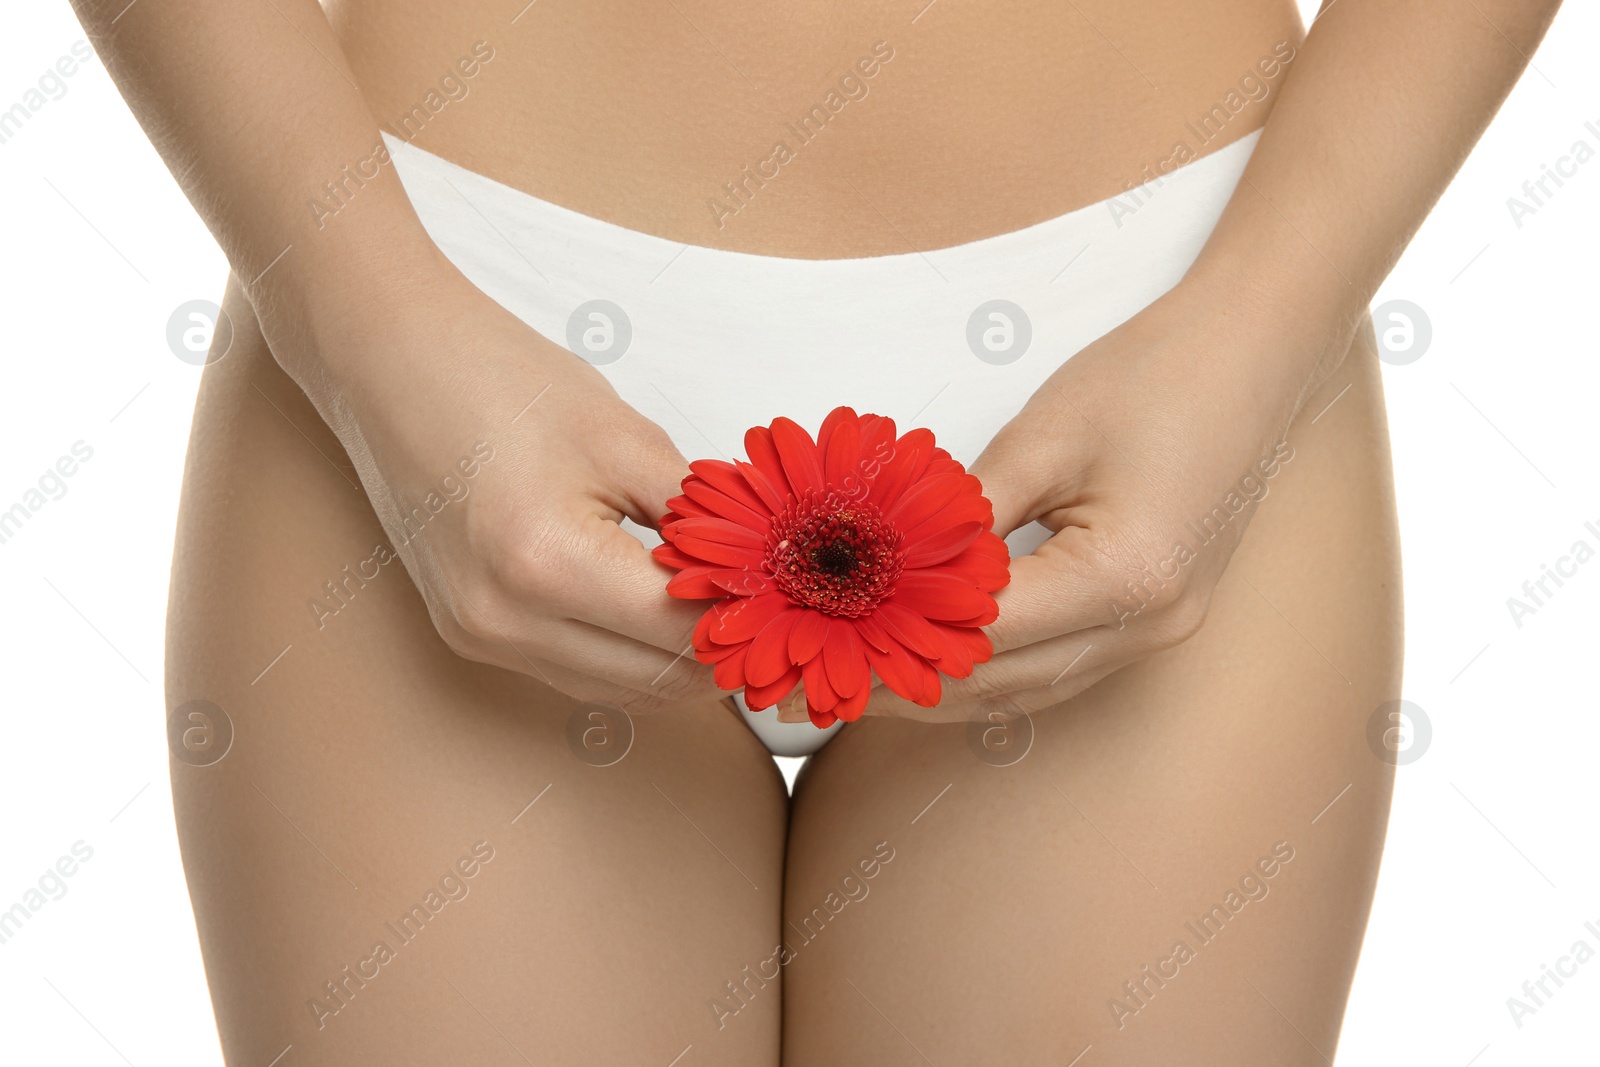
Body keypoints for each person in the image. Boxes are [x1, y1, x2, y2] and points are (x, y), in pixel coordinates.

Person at [74, 0, 1559, 1061]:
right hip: (439, 305)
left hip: (1171, 318)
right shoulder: (397, 333)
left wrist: (1258, 329)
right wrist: (365, 327)